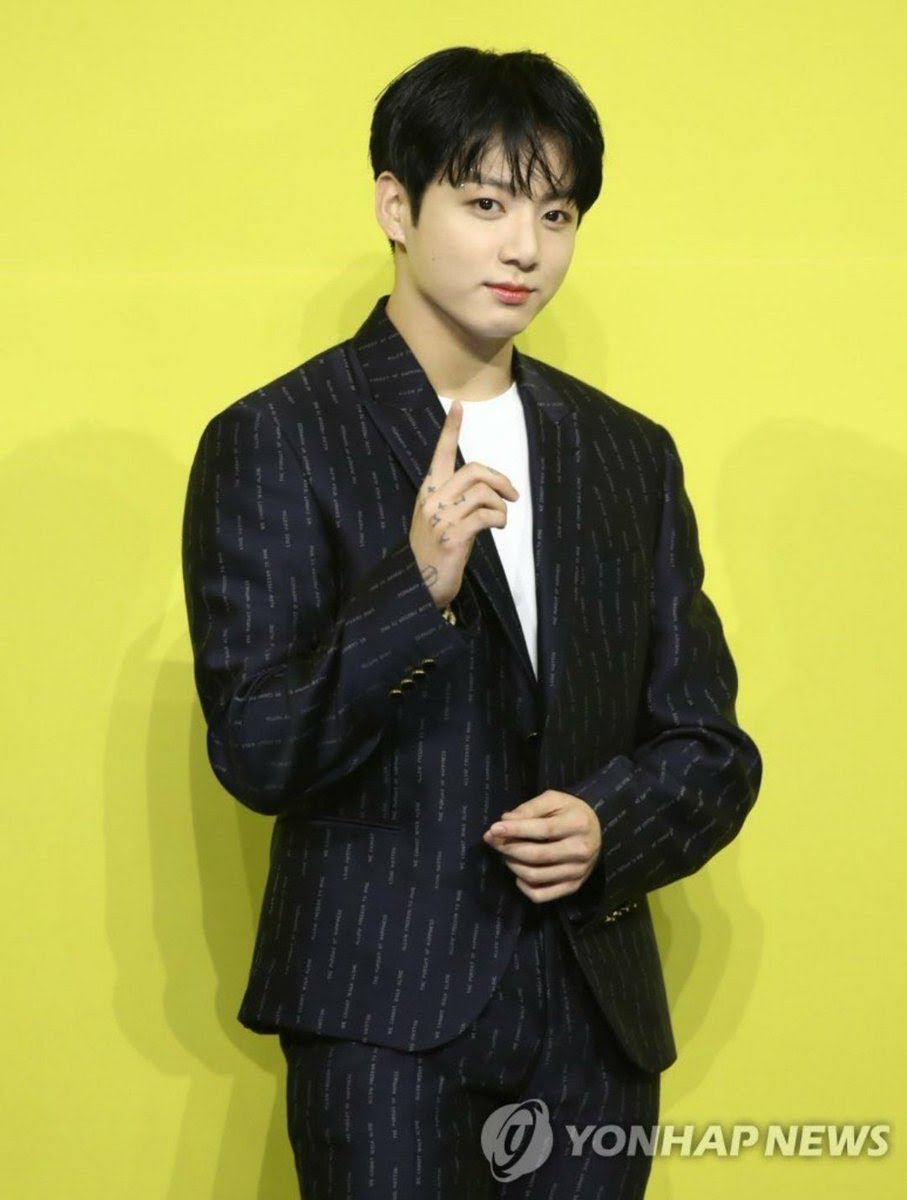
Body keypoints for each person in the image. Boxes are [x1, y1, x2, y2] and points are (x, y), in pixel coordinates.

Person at [181, 45, 762, 1199]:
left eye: (556, 213)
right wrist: (415, 589)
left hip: (591, 1022)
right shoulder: (278, 436)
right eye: (486, 204)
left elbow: (710, 746)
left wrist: (609, 826)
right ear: (396, 207)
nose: (524, 248)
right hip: (381, 1017)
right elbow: (255, 747)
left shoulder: (626, 453)